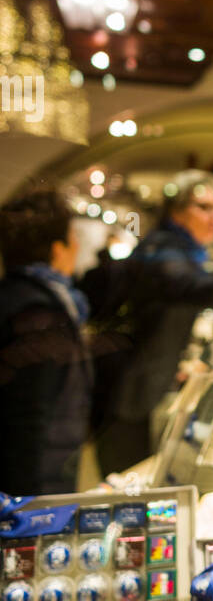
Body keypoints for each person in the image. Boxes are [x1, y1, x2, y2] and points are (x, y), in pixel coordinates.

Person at [83, 171, 213, 476]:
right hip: (129, 399)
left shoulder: (179, 248)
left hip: (139, 392)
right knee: (130, 490)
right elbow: (192, 286)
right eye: (203, 207)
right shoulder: (163, 248)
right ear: (176, 211)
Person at [0, 189, 92, 496]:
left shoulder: (17, 297)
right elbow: (30, 419)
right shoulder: (39, 315)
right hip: (35, 489)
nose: (77, 248)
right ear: (57, 249)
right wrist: (31, 513)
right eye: (73, 239)